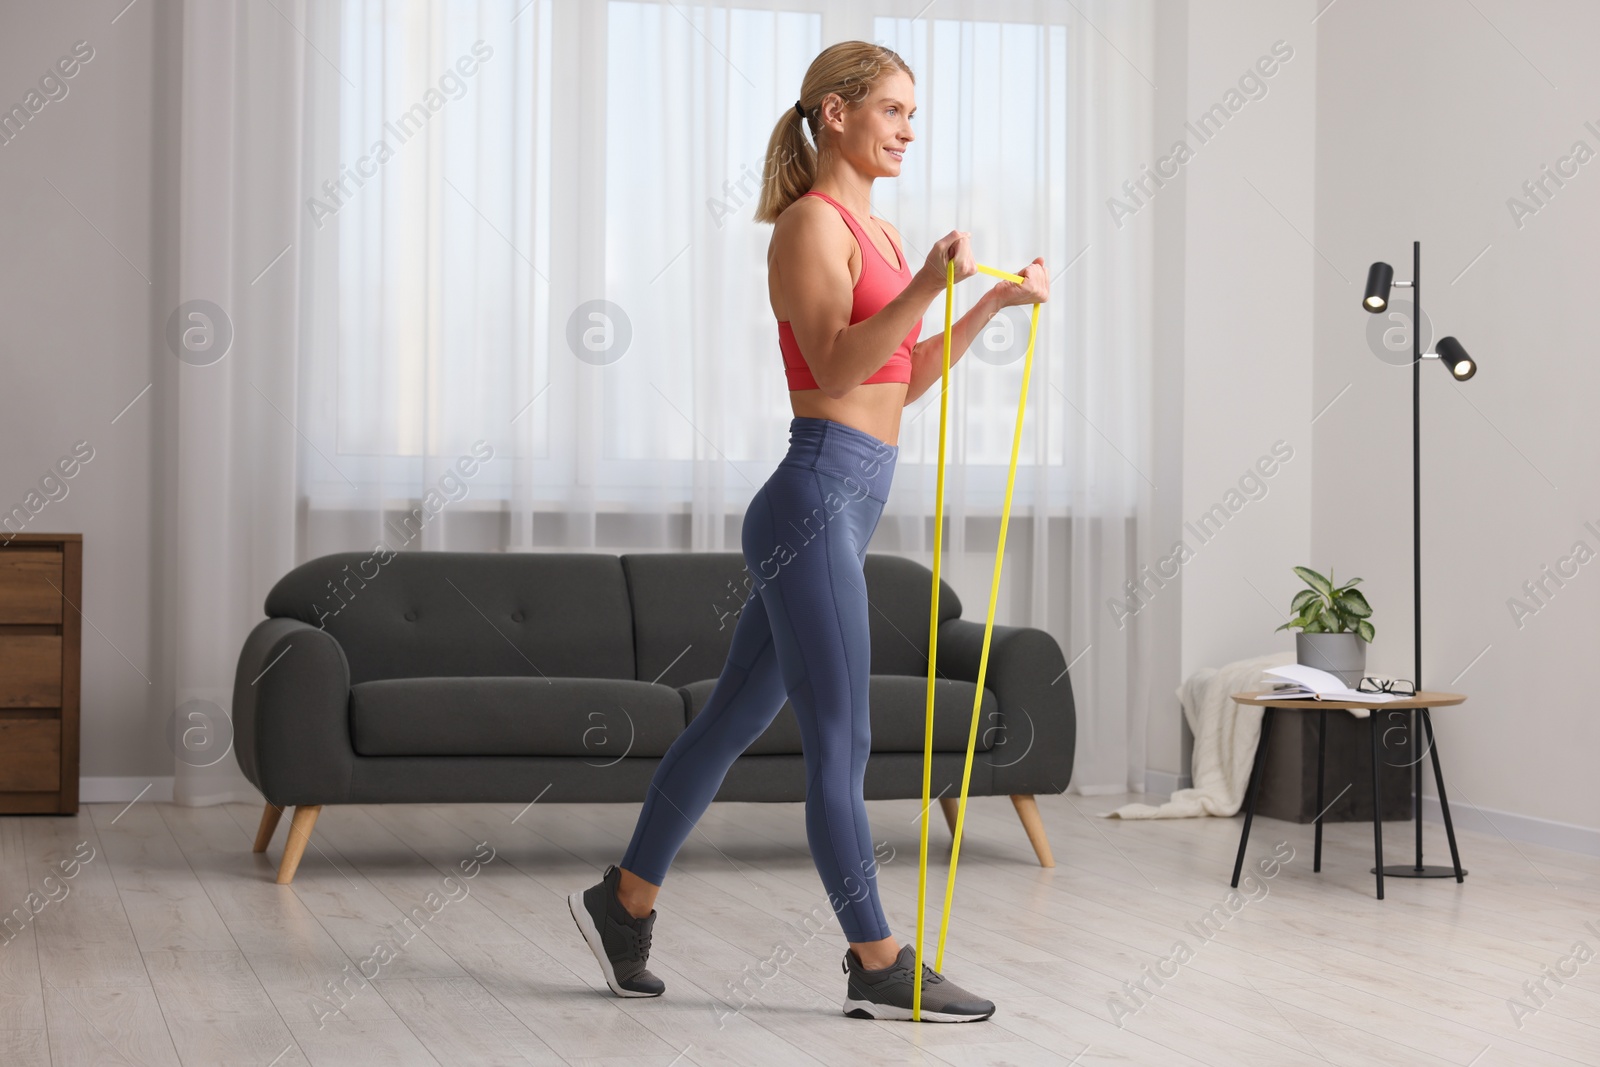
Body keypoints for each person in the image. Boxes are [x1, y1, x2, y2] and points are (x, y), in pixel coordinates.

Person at [569, 39, 1049, 1023]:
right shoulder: (807, 227)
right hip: (812, 497)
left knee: (728, 723)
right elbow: (832, 371)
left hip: (850, 494)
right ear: (834, 113)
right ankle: (875, 958)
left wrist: (987, 304)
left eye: (914, 115)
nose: (908, 131)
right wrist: (926, 288)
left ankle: (622, 902)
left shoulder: (876, 232)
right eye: (892, 111)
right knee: (842, 734)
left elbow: (897, 380)